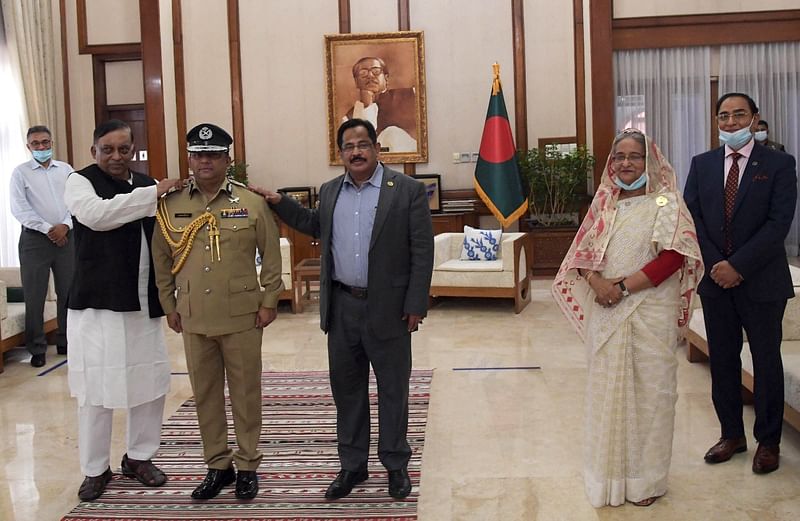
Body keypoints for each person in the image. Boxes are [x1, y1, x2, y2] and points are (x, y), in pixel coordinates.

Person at [256, 118, 433, 500]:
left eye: (363, 144)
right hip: (342, 309)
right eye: (348, 146)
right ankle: (353, 467)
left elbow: (422, 250)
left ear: (377, 149)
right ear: (340, 154)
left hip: (390, 310)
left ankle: (396, 465)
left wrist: (416, 302)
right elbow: (314, 225)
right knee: (348, 392)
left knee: (393, 391)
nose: (356, 151)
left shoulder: (406, 191)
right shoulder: (330, 190)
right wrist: (279, 203)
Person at [552, 129, 703, 508]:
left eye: (634, 156)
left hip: (648, 309)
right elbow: (582, 256)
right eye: (618, 156)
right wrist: (598, 283)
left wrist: (621, 289)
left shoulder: (666, 202)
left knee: (651, 395)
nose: (625, 163)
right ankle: (608, 479)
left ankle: (645, 481)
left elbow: (673, 257)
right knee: (607, 392)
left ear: (649, 161)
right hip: (607, 312)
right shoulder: (604, 204)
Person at [151, 123, 284, 501]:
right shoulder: (170, 205)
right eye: (197, 154)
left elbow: (271, 258)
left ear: (228, 159)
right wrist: (169, 305)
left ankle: (247, 466)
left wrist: (270, 300)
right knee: (205, 394)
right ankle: (217, 466)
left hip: (242, 315)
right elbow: (162, 260)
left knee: (245, 393)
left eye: (213, 154)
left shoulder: (251, 201)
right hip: (192, 314)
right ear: (189, 160)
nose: (205, 161)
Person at [64, 119, 184, 501]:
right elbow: (98, 216)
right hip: (97, 305)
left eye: (124, 149)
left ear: (133, 150)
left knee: (149, 383)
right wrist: (153, 196)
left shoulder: (146, 184)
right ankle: (95, 469)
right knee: (96, 389)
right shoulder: (79, 182)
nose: (116, 157)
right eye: (108, 149)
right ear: (93, 151)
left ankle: (139, 457)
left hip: (141, 302)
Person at [684, 93, 797, 475]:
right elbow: (691, 219)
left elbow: (778, 224)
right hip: (716, 282)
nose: (731, 123)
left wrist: (739, 266)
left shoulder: (779, 164)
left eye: (739, 115)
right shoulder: (702, 164)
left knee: (766, 362)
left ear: (754, 118)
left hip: (761, 281)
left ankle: (768, 441)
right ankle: (731, 434)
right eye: (724, 116)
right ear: (716, 121)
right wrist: (717, 264)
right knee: (723, 362)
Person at [9, 125, 75, 367]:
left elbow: (75, 201)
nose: (41, 147)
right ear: (29, 147)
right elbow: (19, 208)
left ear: (51, 143)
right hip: (35, 240)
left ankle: (66, 341)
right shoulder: (20, 173)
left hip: (66, 238)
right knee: (34, 295)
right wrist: (48, 228)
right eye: (35, 144)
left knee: (67, 292)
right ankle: (36, 349)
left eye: (45, 142)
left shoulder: (66, 170)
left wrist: (65, 227)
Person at [343, 57, 417, 153]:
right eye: (363, 73)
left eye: (376, 71)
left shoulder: (412, 95)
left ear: (386, 78)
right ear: (356, 82)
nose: (370, 75)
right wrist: (367, 106)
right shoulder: (348, 118)